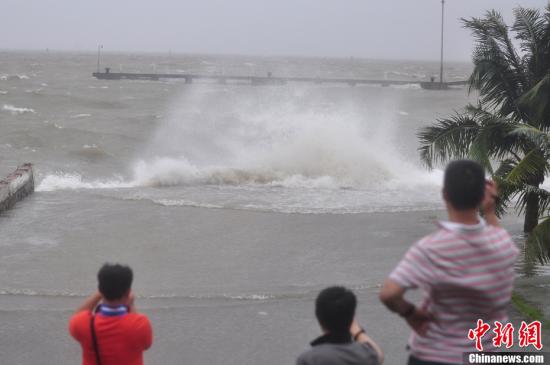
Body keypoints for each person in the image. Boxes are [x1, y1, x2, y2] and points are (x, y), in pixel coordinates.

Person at [379, 160, 518, 365]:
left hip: (434, 356)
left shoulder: (431, 248)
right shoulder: (503, 244)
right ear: (481, 196)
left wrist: (411, 313)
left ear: (445, 195)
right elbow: (497, 233)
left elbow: (389, 294)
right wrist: (489, 211)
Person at [69, 263, 153, 365]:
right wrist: (131, 305)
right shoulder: (140, 325)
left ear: (101, 289)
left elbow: (76, 318)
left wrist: (100, 293)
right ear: (128, 292)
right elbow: (146, 345)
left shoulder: (83, 324)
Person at [297, 286, 384, 365]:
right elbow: (378, 355)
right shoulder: (365, 355)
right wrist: (357, 331)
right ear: (352, 318)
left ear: (318, 317)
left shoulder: (309, 359)